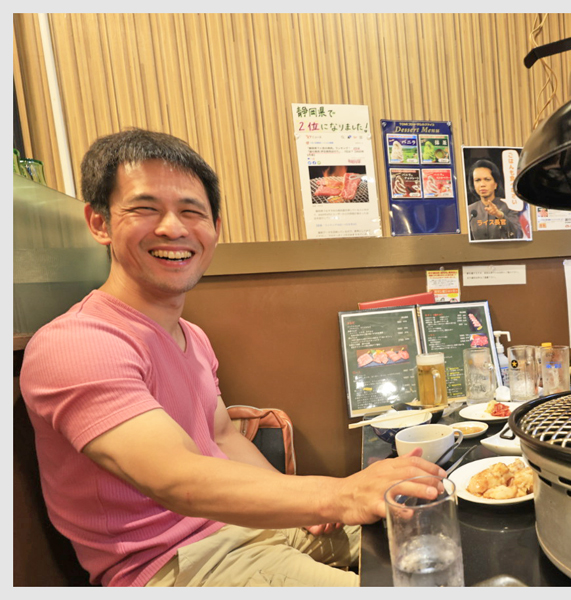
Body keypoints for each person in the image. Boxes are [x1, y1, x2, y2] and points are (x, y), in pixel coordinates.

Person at [18, 128, 446, 587]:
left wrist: (299, 505)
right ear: (99, 222)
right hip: (176, 564)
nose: (173, 228)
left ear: (214, 229)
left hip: (247, 528)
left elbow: (223, 437)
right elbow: (174, 478)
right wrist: (337, 496)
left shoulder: (191, 335)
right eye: (145, 208)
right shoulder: (77, 342)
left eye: (191, 211)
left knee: (437, 534)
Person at [466, 158, 525, 240]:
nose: (482, 184)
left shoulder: (509, 206)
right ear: (473, 185)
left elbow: (517, 234)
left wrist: (500, 216)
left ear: (495, 184)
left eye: (487, 179)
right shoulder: (469, 210)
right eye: (477, 180)